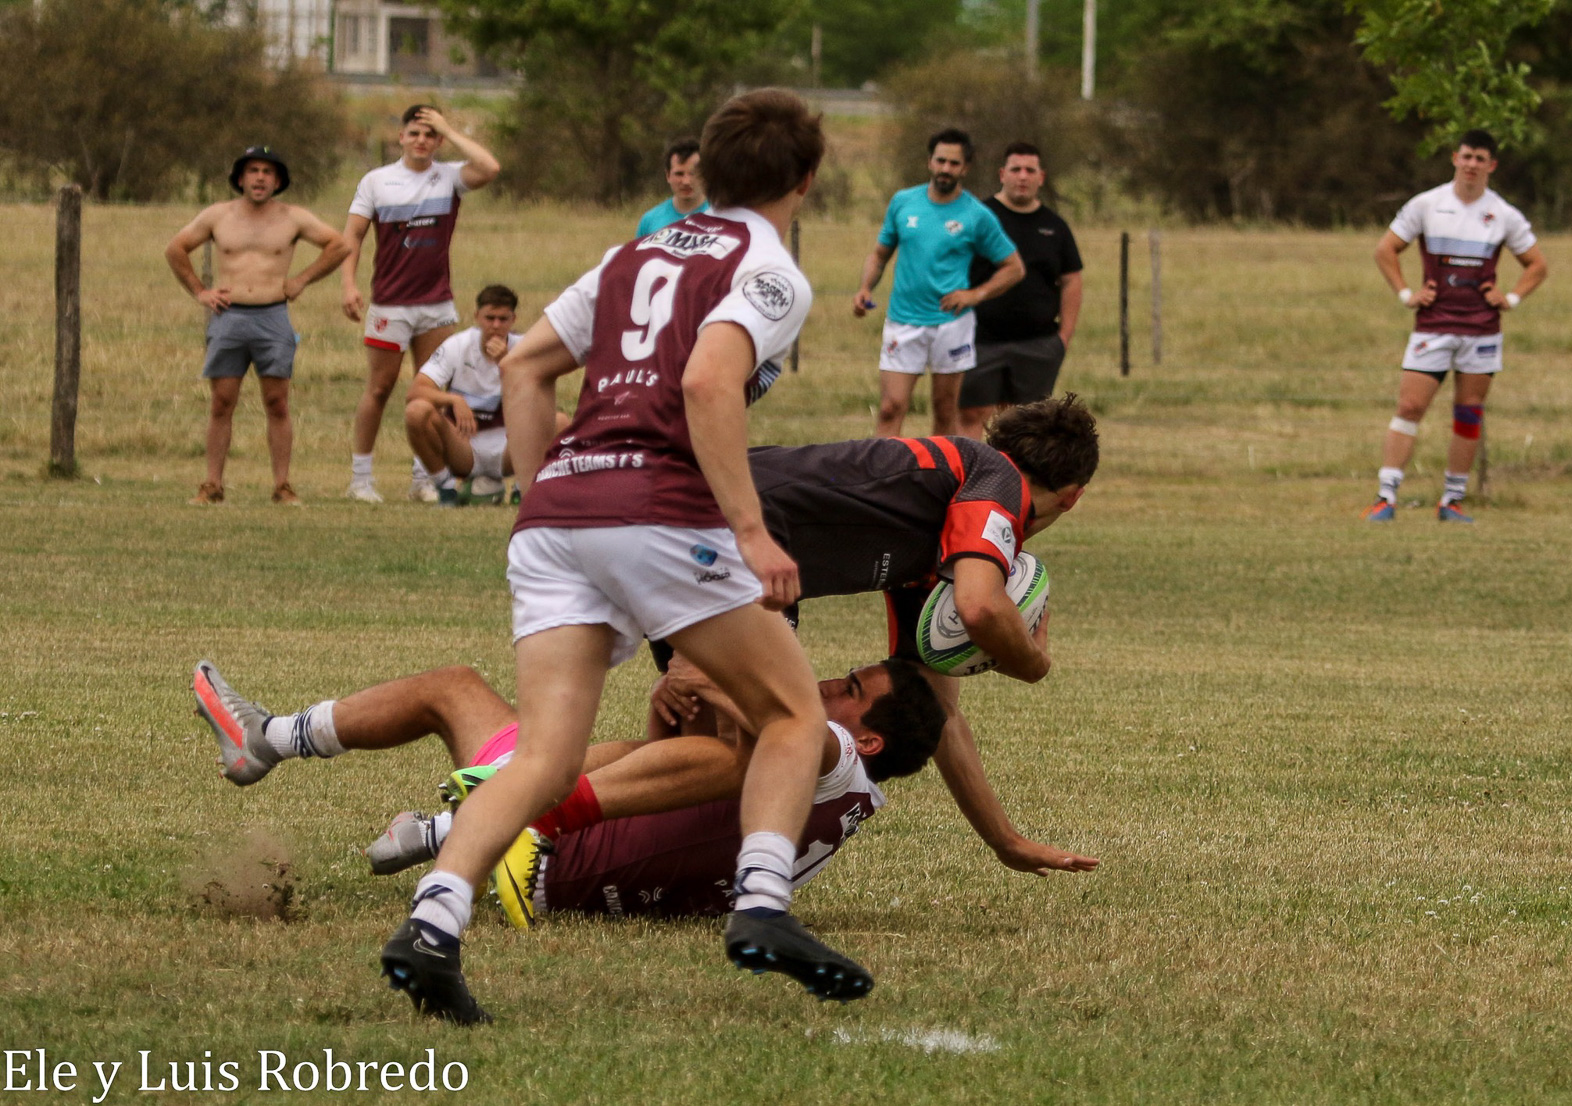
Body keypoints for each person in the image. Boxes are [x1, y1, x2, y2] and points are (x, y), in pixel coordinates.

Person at [368, 88, 858, 1023]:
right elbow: (710, 380)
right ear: (807, 179)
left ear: (704, 172)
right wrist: (752, 533)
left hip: (557, 512)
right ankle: (762, 907)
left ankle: (433, 922)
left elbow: (524, 366)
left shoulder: (634, 251)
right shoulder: (769, 267)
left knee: (546, 758)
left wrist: (542, 483)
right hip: (659, 510)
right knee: (795, 715)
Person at [648, 395, 1102, 878]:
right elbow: (980, 605)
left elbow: (939, 707)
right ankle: (578, 815)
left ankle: (626, 853)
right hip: (737, 530)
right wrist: (1033, 663)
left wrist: (1004, 841)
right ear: (1072, 495)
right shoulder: (996, 481)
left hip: (715, 522)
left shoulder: (936, 527)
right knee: (761, 734)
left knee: (703, 730)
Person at [190, 657, 945, 925]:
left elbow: (784, 721)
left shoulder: (831, 750)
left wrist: (708, 665)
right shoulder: (849, 803)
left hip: (554, 854)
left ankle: (272, 740)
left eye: (848, 687)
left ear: (869, 737)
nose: (822, 686)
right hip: (591, 876)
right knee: (715, 755)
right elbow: (689, 780)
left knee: (454, 690)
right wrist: (676, 701)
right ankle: (447, 828)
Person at [1364, 129, 1548, 524]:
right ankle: (1385, 497)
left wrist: (1510, 298)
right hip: (1433, 326)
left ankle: (1452, 501)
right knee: (1410, 406)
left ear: (1491, 166)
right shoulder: (1428, 204)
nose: (1471, 165)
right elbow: (1385, 250)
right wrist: (1406, 293)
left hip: (1481, 330)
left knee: (1468, 414)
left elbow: (1537, 265)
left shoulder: (1503, 213)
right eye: (1466, 156)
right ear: (1454, 158)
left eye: (1480, 159)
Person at [163, 147, 348, 506]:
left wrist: (302, 280)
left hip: (273, 316)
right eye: (253, 171)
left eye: (267, 171)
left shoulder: (293, 218)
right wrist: (200, 291)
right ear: (240, 178)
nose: (260, 177)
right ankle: (212, 485)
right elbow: (175, 249)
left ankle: (282, 486)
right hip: (229, 317)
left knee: (277, 402)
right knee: (221, 402)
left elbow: (338, 245)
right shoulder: (218, 215)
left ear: (278, 180)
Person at [339, 105, 500, 504]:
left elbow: (490, 167)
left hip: (437, 305)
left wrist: (450, 127)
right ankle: (361, 479)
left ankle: (423, 479)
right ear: (401, 137)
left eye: (430, 135)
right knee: (379, 388)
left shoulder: (448, 177)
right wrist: (348, 285)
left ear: (439, 140)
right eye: (414, 133)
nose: (422, 141)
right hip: (390, 304)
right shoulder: (377, 181)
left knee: (431, 391)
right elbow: (352, 237)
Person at [852, 128, 1023, 438]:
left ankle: (939, 480)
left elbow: (1013, 268)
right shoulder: (903, 202)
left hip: (951, 325)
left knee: (945, 410)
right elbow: (880, 255)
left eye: (954, 163)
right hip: (903, 321)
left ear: (965, 168)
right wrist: (865, 288)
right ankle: (881, 481)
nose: (946, 169)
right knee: (892, 406)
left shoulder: (976, 215)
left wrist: (976, 294)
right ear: (930, 162)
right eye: (940, 161)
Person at [957, 142, 1084, 440]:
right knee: (971, 413)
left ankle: (1016, 484)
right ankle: (971, 480)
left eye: (1030, 170)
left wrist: (1063, 337)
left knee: (1028, 422)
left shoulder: (1055, 227)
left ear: (1041, 177)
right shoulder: (978, 217)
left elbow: (1071, 280)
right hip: (980, 339)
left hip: (1037, 344)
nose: (1022, 176)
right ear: (1002, 174)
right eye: (1016, 169)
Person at [403, 284, 521, 506]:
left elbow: (536, 399)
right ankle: (446, 490)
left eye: (503, 319)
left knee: (559, 422)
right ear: (477, 316)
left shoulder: (524, 347)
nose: (496, 326)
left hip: (512, 449)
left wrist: (507, 365)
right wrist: (454, 400)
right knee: (416, 411)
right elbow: (416, 391)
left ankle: (523, 491)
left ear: (513, 319)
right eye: (490, 318)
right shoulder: (458, 345)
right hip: (464, 449)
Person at [636, 137, 709, 238]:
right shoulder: (649, 221)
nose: (686, 181)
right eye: (679, 174)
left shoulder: (721, 217)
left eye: (693, 173)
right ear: (668, 176)